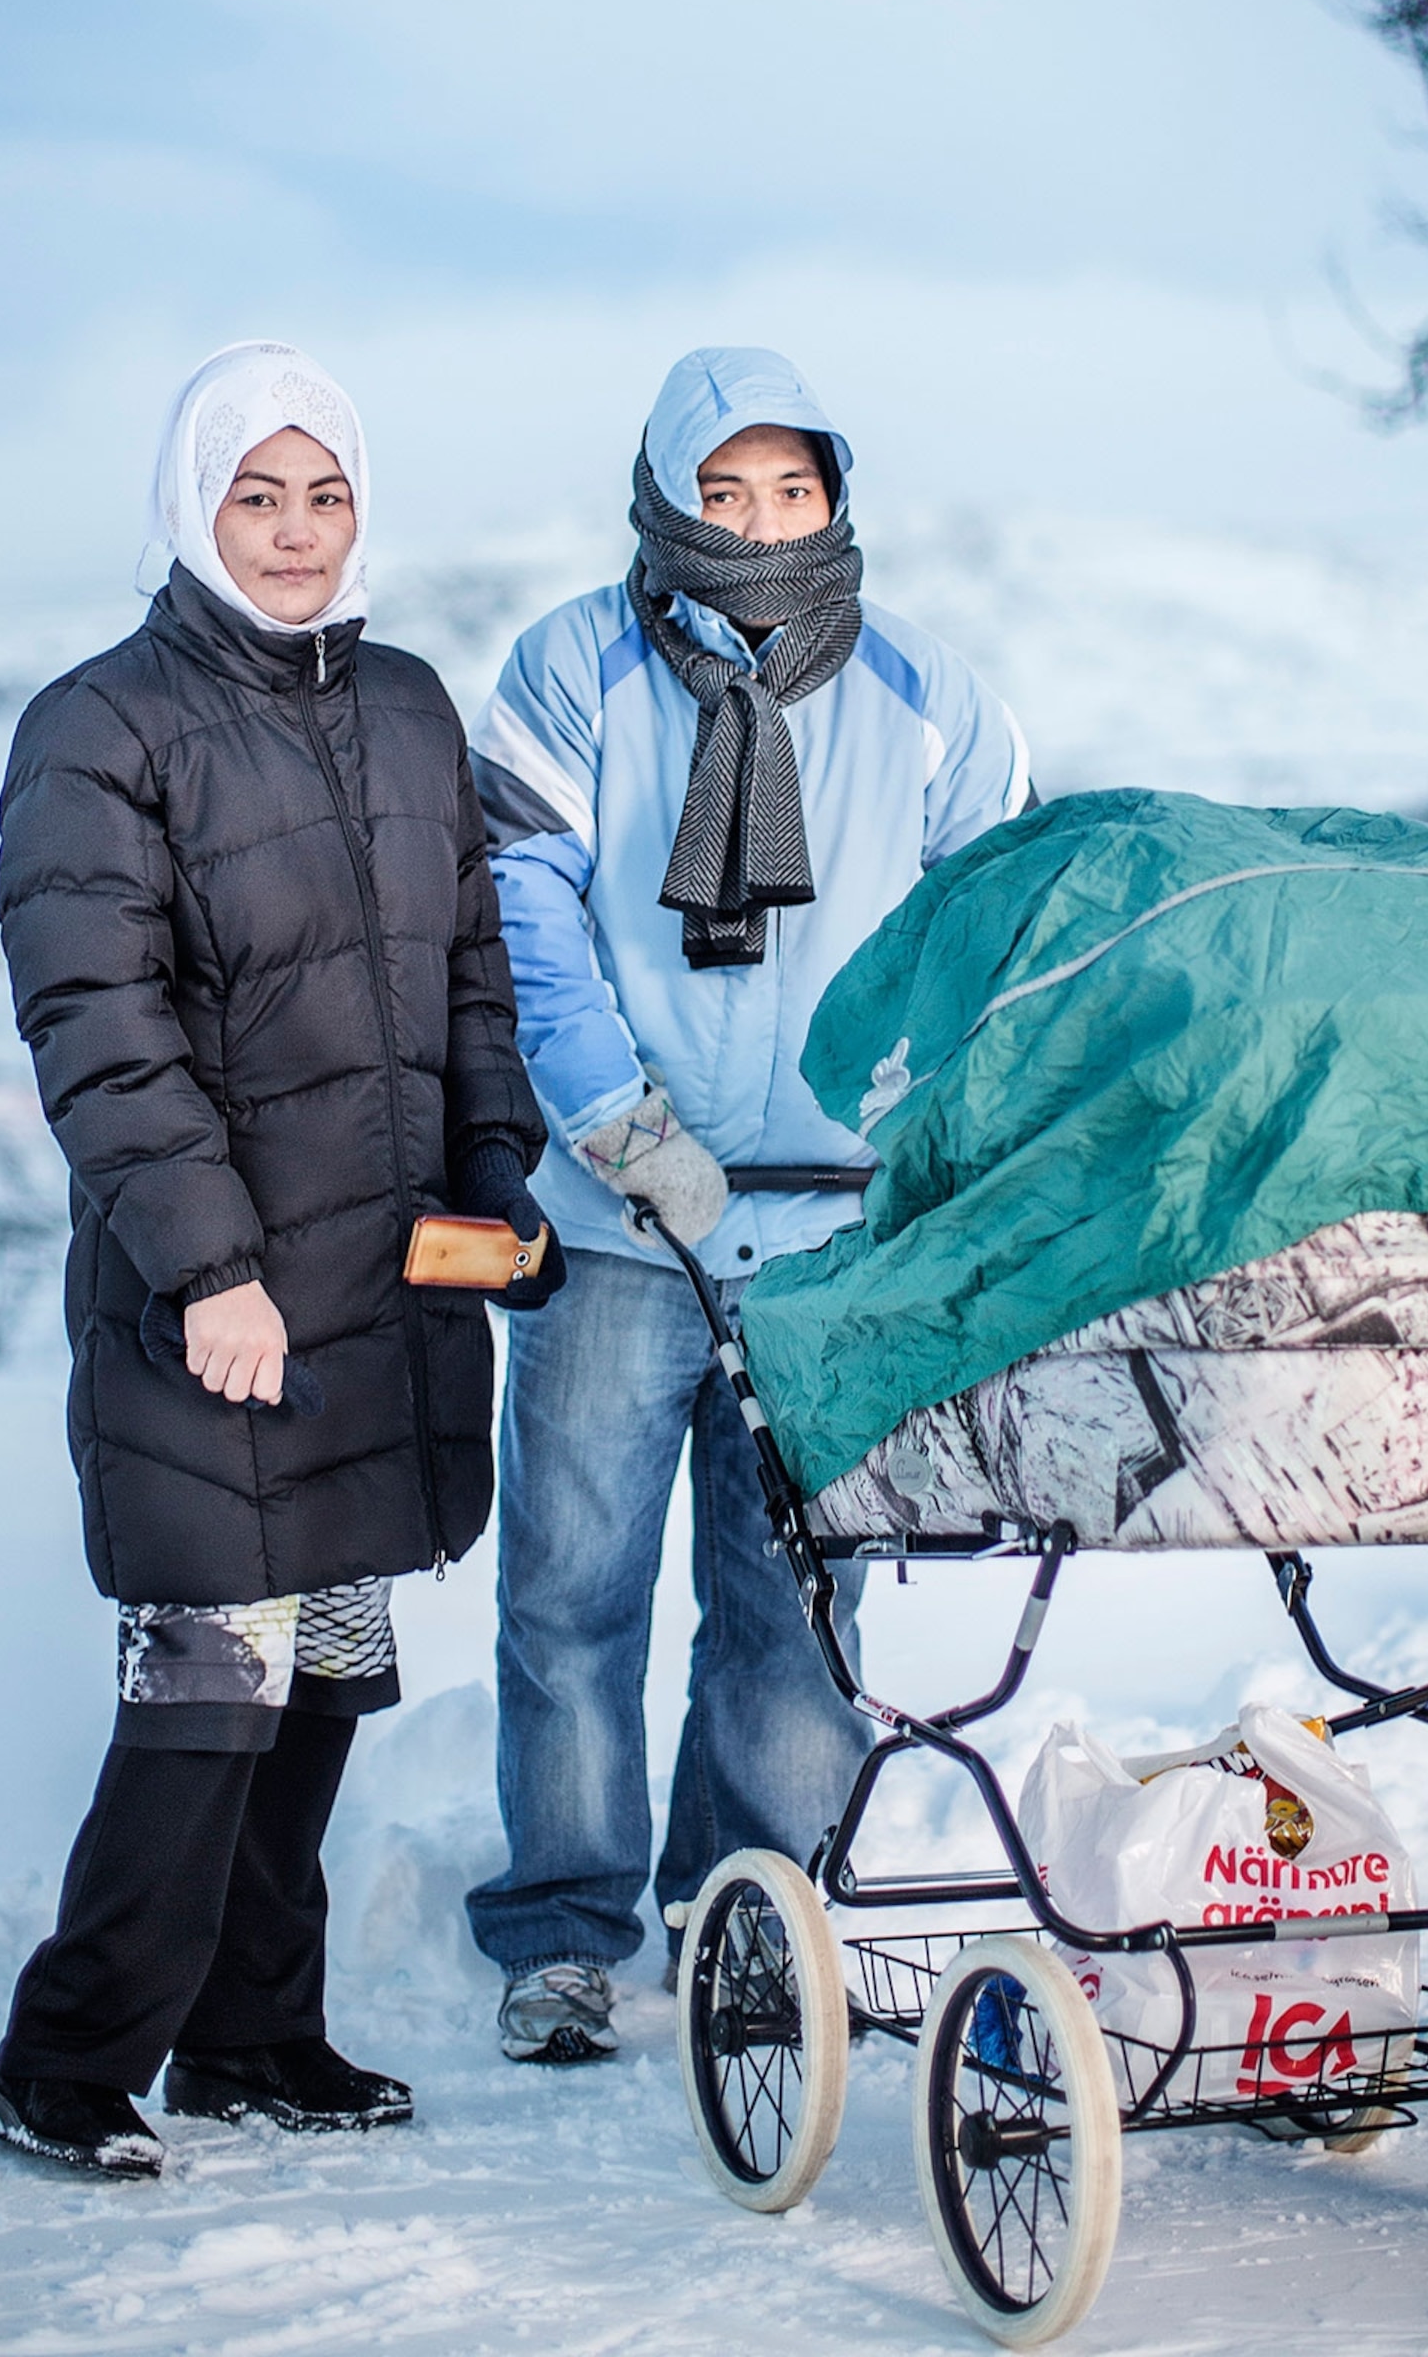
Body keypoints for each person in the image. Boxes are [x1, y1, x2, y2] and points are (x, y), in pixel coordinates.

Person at [0, 342, 559, 2175]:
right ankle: (65, 2063)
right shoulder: (100, 728)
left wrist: (498, 1180)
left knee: (322, 1670)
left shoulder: (406, 705)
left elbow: (472, 972)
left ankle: (254, 2036)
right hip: (213, 1303)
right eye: (258, 493)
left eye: (325, 494)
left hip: (384, 1288)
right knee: (206, 1689)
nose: (297, 531)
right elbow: (101, 1024)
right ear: (192, 503)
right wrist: (206, 1264)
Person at [464, 345, 1031, 2062]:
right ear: (663, 497)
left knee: (796, 1601)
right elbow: (526, 900)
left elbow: (983, 921)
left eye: (791, 490)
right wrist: (615, 1120)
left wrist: (925, 1132)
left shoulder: (927, 690)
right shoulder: (570, 670)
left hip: (831, 1237)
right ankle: (565, 1930)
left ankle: (754, 1910)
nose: (761, 521)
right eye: (725, 493)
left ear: (835, 499)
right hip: (624, 1218)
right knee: (571, 1584)